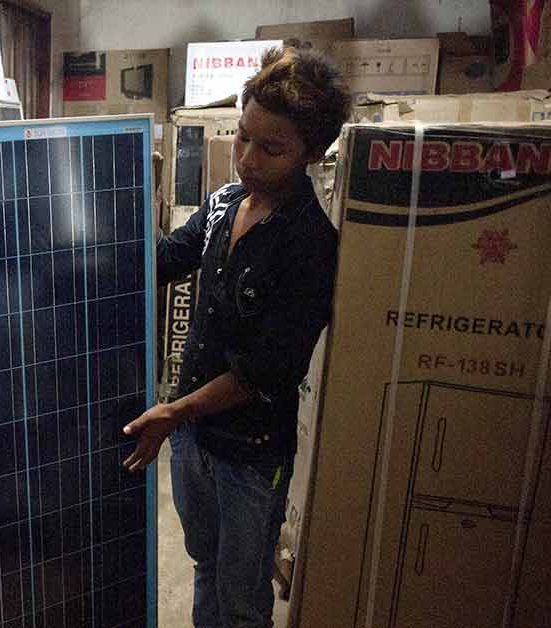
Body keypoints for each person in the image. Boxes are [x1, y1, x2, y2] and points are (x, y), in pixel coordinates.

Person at [122, 47, 350, 628]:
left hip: (250, 455)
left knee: (243, 597)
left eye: (270, 149)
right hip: (194, 439)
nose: (247, 159)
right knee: (204, 564)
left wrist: (173, 412)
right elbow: (167, 258)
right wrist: (92, 252)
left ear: (311, 154)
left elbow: (264, 371)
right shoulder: (224, 204)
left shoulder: (310, 246)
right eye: (244, 137)